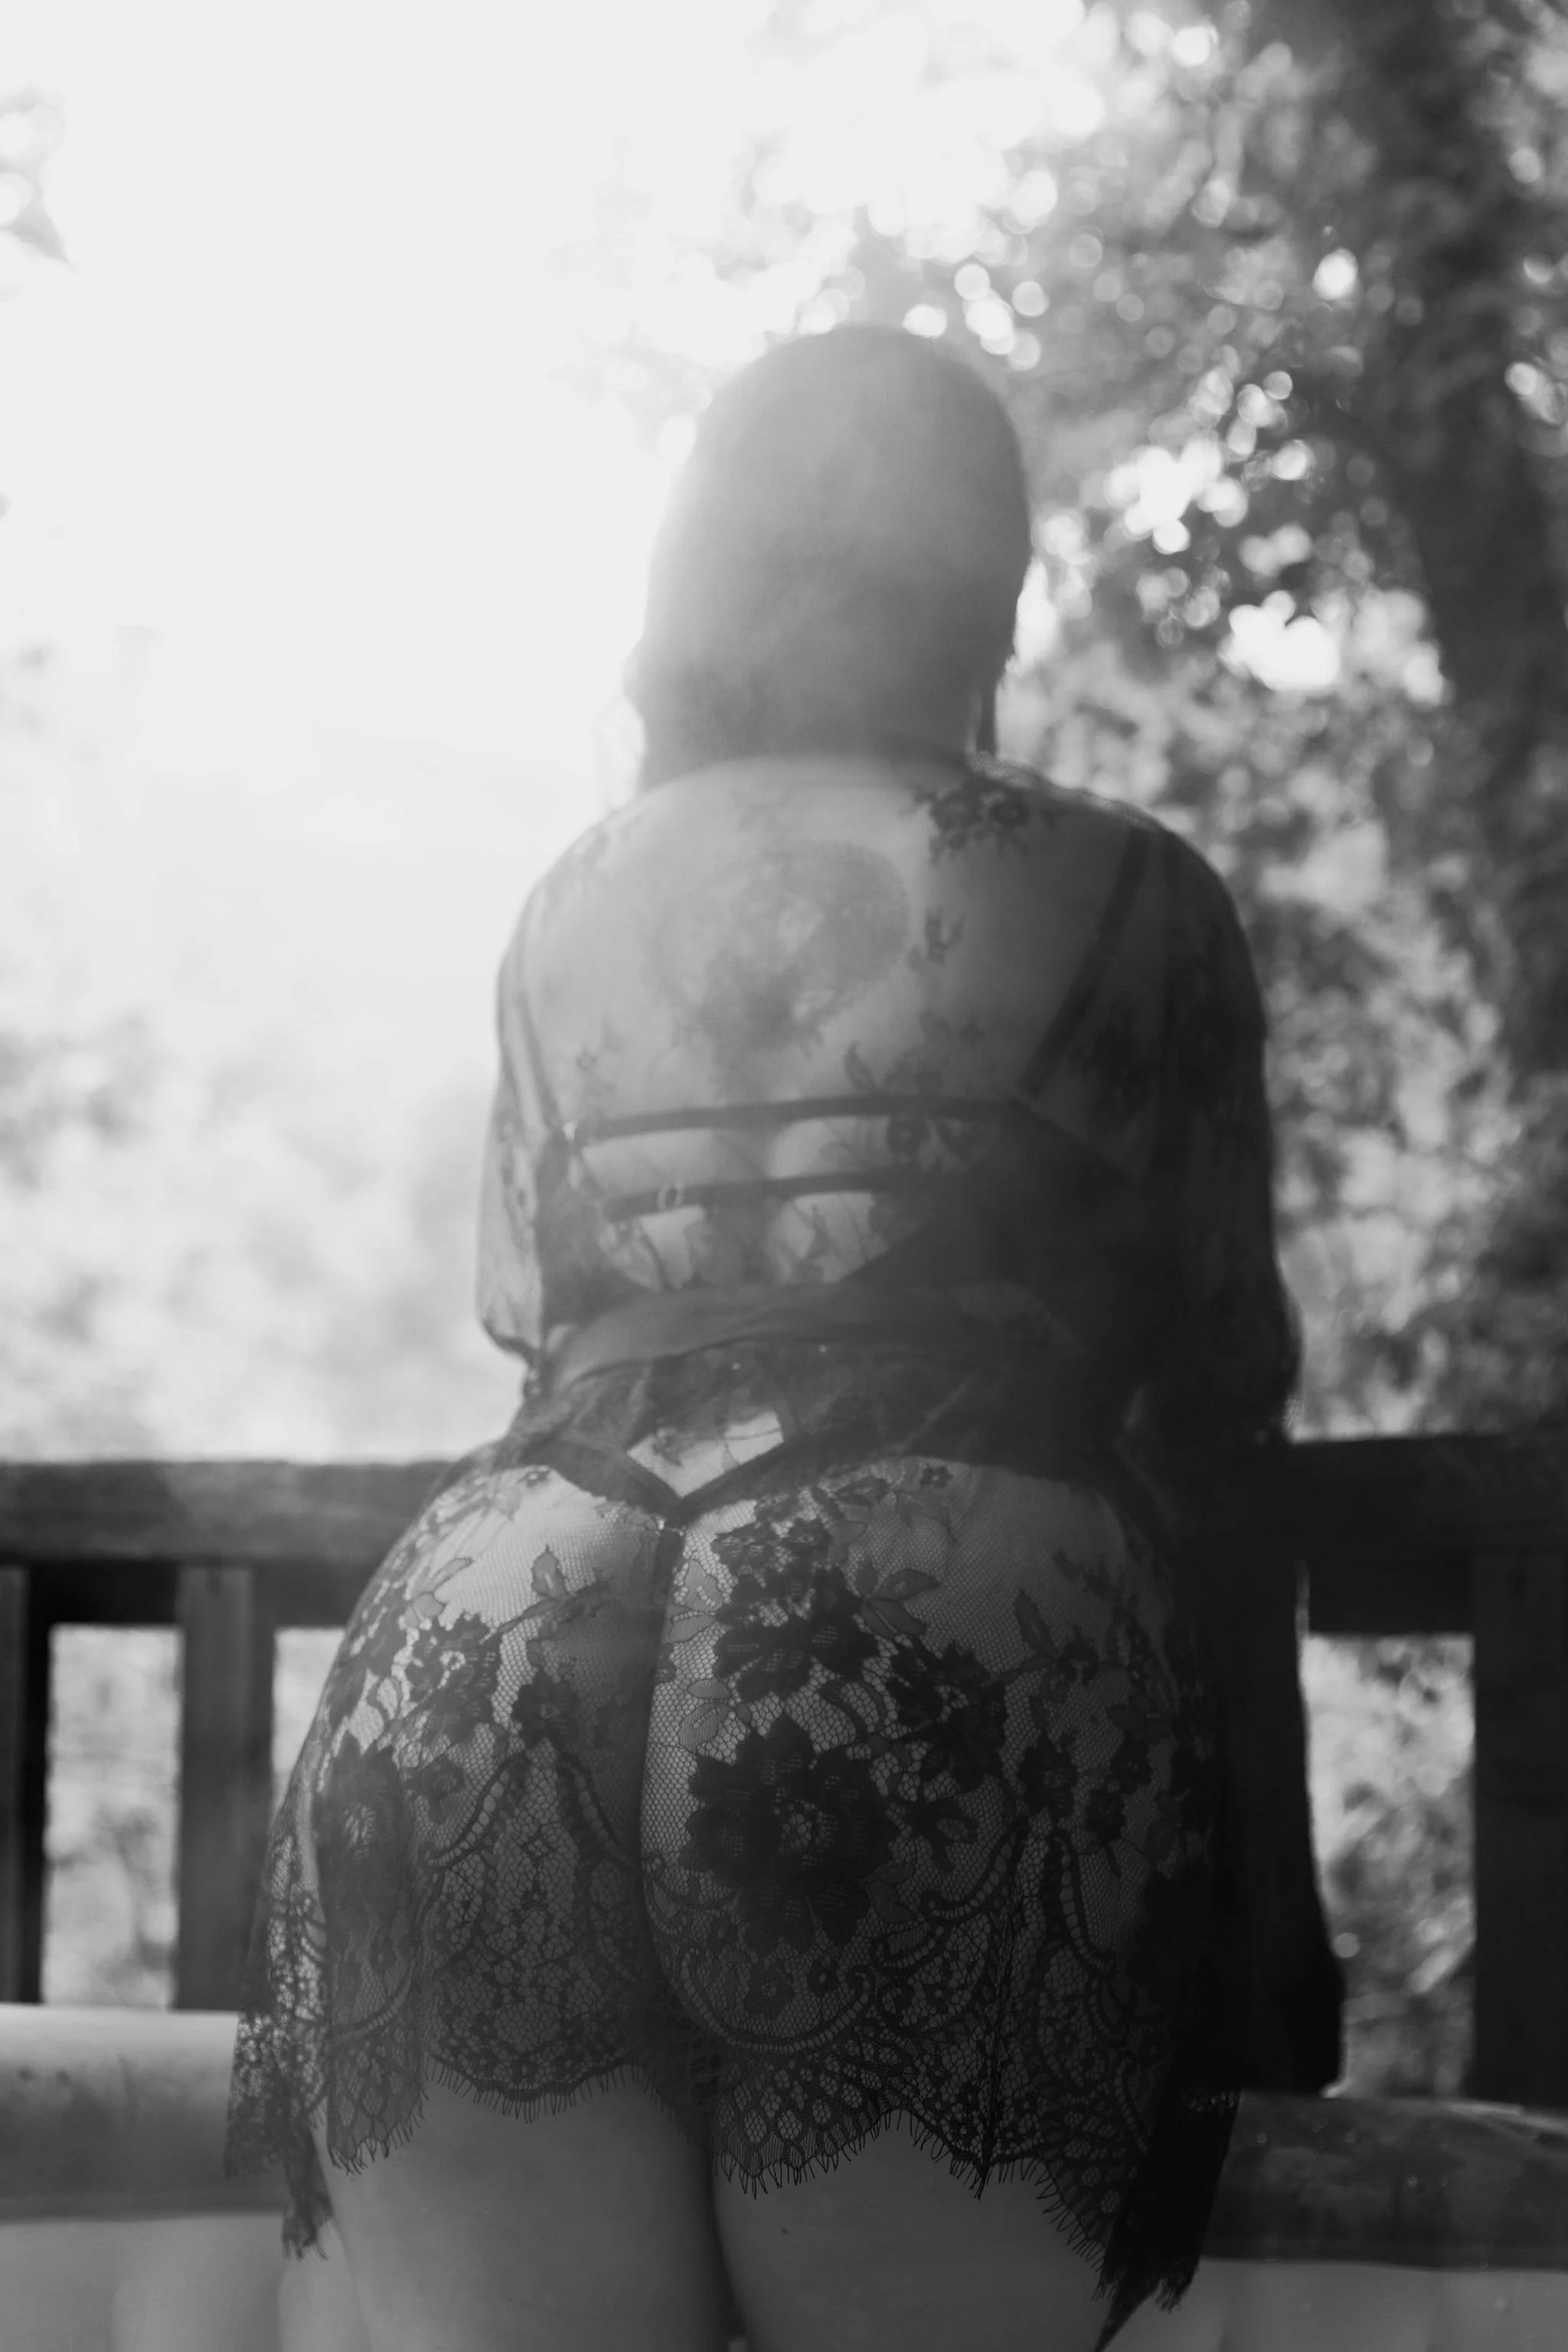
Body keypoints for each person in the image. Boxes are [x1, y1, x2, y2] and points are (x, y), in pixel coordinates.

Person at [228, 323, 1326, 2352]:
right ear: (989, 578)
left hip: (495, 1613)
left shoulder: (566, 905)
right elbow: (1217, 1429)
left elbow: (539, 1331)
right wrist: (1272, 1926)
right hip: (931, 1624)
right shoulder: (1126, 894)